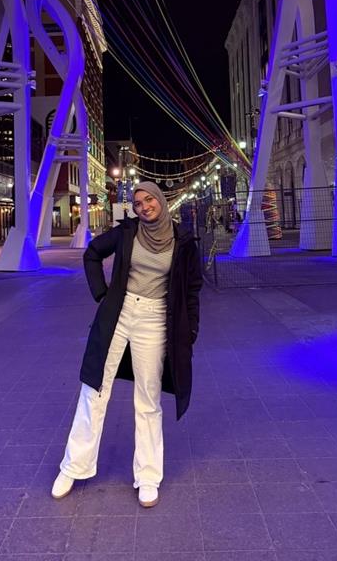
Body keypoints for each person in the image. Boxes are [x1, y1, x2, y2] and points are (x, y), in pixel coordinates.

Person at [51, 181, 202, 508]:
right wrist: (101, 295)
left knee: (148, 398)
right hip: (119, 314)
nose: (144, 206)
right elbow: (92, 253)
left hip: (155, 318)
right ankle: (73, 467)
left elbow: (192, 289)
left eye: (149, 200)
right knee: (94, 389)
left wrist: (190, 330)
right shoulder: (127, 232)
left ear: (160, 200)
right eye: (138, 203)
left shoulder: (183, 241)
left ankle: (148, 476)